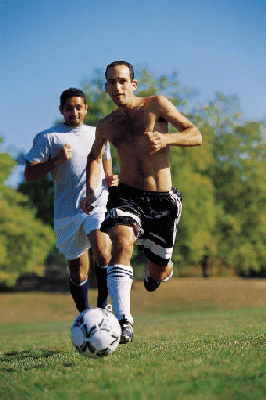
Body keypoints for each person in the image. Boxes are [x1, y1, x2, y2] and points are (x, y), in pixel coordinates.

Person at [80, 61, 202, 343]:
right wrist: (90, 190)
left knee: (159, 269)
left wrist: (166, 139)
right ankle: (124, 323)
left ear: (133, 84)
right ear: (106, 87)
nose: (117, 86)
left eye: (123, 81)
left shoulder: (156, 105)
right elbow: (94, 157)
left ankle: (157, 275)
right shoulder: (107, 125)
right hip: (126, 195)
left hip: (162, 201)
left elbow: (195, 133)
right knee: (121, 243)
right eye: (112, 82)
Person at [24, 88, 118, 313]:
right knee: (78, 271)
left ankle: (104, 306)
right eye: (69, 108)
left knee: (103, 251)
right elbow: (29, 173)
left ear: (85, 109)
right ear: (61, 110)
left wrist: (111, 179)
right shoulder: (49, 137)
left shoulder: (98, 133)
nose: (74, 112)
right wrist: (55, 161)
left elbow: (106, 166)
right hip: (66, 210)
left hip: (96, 201)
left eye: (78, 107)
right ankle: (85, 315)